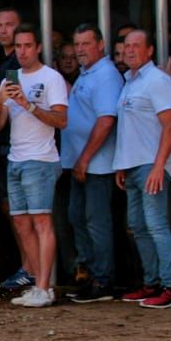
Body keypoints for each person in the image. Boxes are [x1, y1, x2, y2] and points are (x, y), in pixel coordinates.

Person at [0, 24, 68, 307]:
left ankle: (45, 287)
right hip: (16, 158)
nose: (22, 51)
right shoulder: (10, 77)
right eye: (18, 46)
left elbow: (62, 121)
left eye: (27, 46)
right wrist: (0, 102)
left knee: (41, 221)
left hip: (41, 159)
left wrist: (28, 104)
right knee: (21, 223)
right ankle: (36, 284)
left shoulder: (52, 77)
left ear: (39, 48)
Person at [114, 28, 171, 308]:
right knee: (138, 227)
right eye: (127, 46)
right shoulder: (129, 82)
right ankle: (151, 283)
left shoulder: (158, 81)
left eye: (136, 46)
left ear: (150, 50)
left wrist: (159, 166)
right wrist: (121, 164)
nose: (130, 50)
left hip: (151, 165)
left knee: (156, 225)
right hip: (132, 166)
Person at [61, 23, 124, 304]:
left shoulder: (106, 75)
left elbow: (106, 120)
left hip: (97, 165)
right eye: (77, 44)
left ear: (100, 44)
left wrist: (85, 158)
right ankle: (88, 274)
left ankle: (103, 280)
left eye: (86, 44)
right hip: (80, 162)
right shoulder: (87, 74)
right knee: (77, 216)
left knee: (96, 221)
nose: (81, 50)